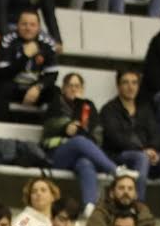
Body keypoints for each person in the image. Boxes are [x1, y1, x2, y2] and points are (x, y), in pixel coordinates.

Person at [100, 68, 160, 212]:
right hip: (120, 156)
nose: (130, 87)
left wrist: (154, 149)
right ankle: (137, 207)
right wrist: (143, 150)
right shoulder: (109, 109)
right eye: (125, 83)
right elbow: (115, 138)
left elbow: (156, 134)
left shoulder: (145, 108)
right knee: (141, 157)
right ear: (118, 86)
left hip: (146, 155)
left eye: (134, 83)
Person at [42, 73, 118, 211]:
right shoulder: (56, 103)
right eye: (70, 86)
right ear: (63, 88)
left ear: (82, 89)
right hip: (57, 155)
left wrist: (79, 105)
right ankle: (115, 170)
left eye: (77, 86)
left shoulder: (88, 105)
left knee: (85, 163)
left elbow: (95, 133)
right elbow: (49, 126)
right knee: (78, 141)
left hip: (81, 155)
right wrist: (66, 126)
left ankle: (89, 206)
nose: (73, 89)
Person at [0, 9, 59, 120]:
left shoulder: (47, 43)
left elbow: (52, 74)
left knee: (56, 93)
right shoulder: (8, 40)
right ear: (17, 25)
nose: (28, 28)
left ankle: (49, 131)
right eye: (24, 24)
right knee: (2, 88)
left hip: (33, 87)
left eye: (32, 25)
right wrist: (25, 56)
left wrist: (38, 87)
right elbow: (2, 74)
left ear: (39, 27)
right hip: (11, 84)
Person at [85, 170, 159, 226]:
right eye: (121, 188)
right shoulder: (99, 215)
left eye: (130, 189)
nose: (126, 192)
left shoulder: (144, 213)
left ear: (136, 194)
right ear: (111, 193)